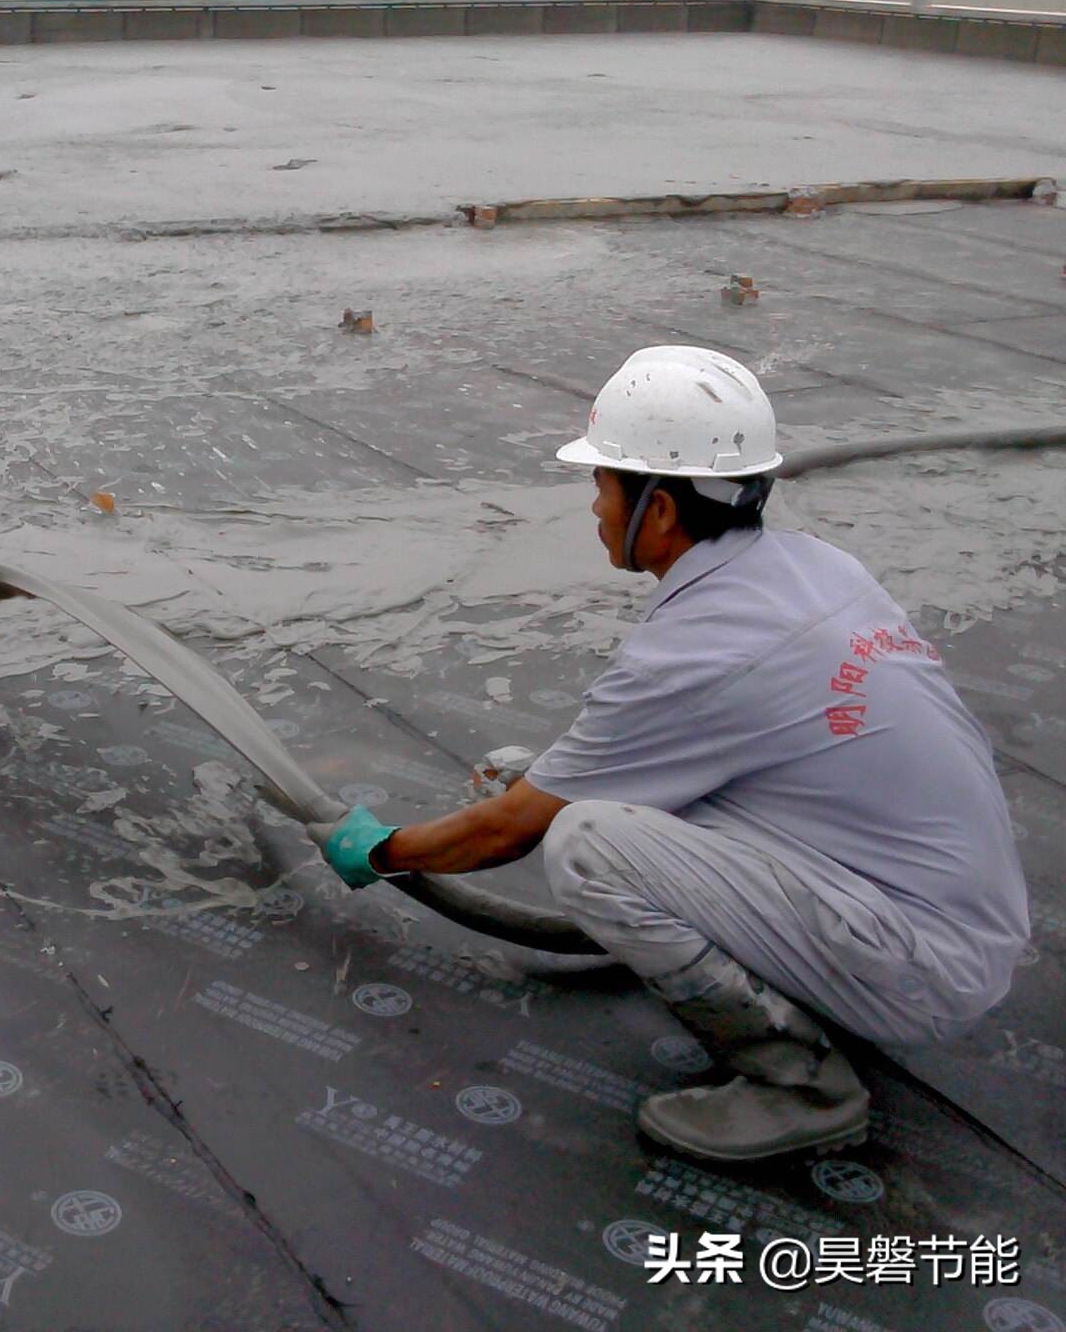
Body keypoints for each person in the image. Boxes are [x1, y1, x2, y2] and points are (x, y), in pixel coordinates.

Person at [320, 345, 1030, 1162]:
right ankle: (781, 965)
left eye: (601, 486)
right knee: (602, 791)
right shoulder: (811, 569)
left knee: (592, 843)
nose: (592, 508)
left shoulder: (705, 650)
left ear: (657, 510)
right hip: (956, 911)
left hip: (920, 963)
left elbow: (505, 834)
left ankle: (801, 1084)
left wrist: (378, 851)